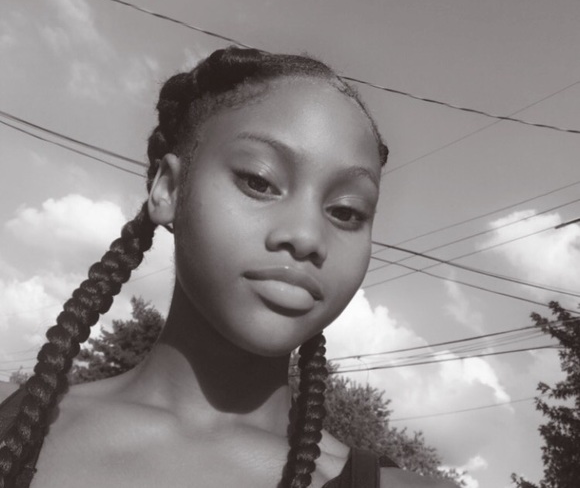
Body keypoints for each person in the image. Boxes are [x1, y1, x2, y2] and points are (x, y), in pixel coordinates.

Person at [0, 48, 452, 487]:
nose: (307, 237)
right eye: (259, 181)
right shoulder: (13, 428)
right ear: (168, 189)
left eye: (347, 212)